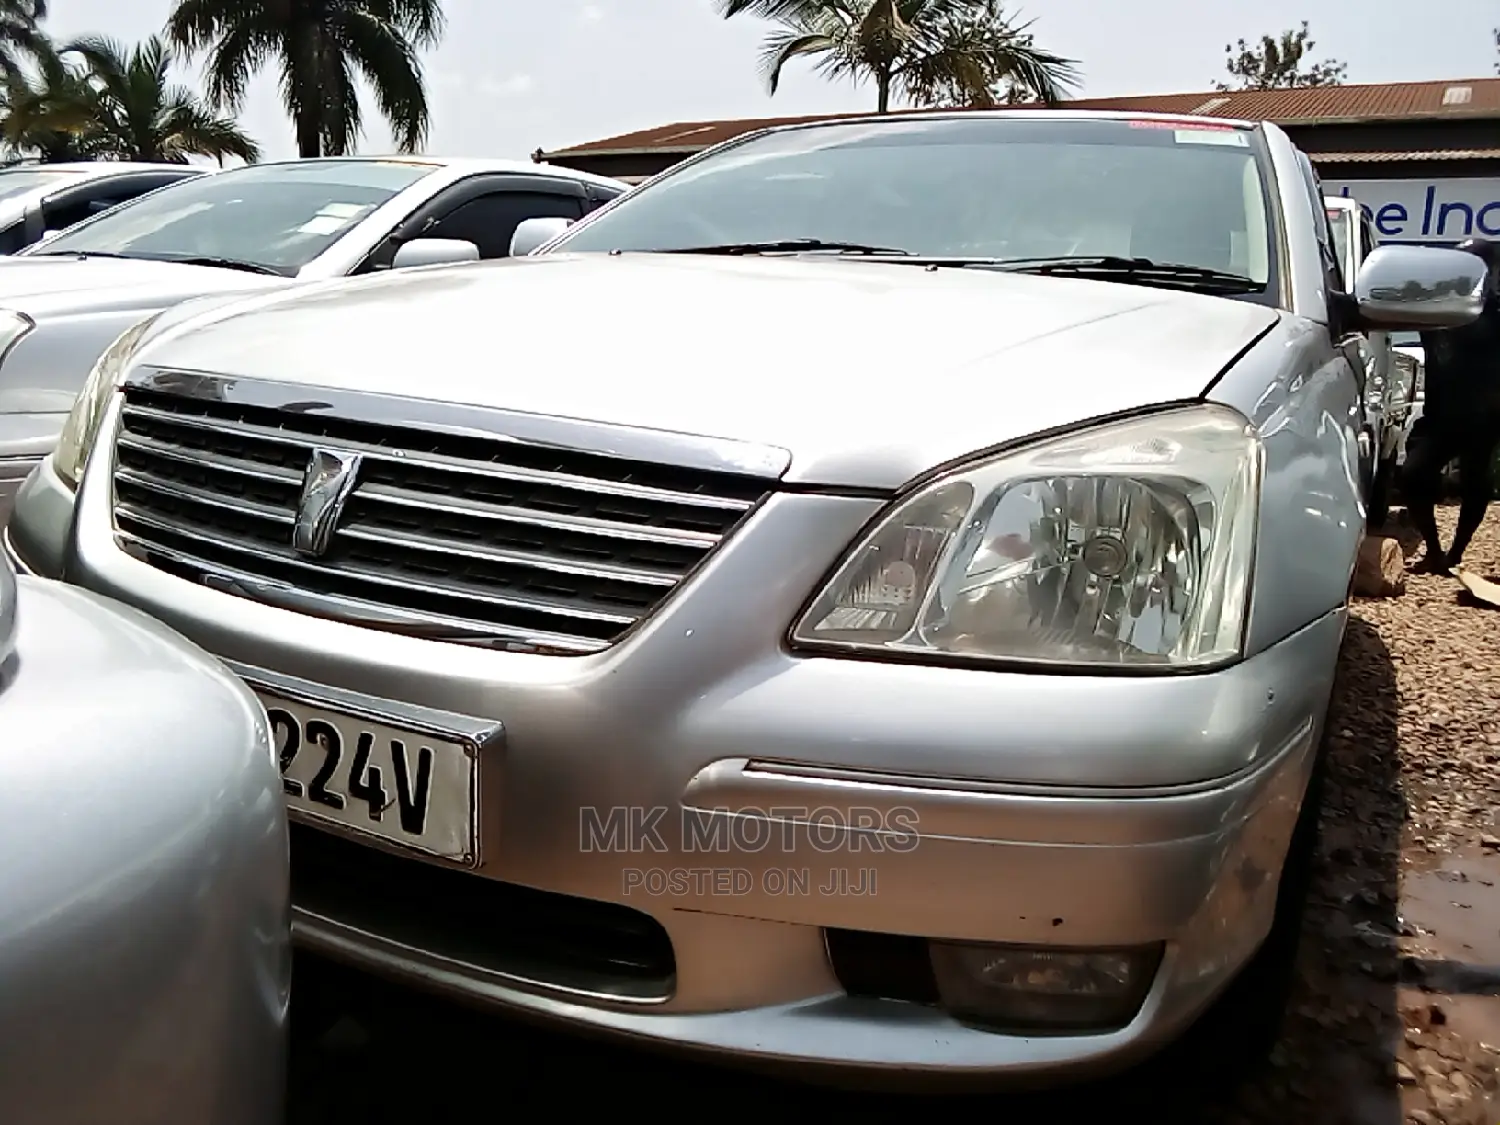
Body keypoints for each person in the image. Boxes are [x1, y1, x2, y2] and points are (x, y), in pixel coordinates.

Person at [1400, 236, 1500, 574]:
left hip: (1484, 416)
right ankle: (1433, 550)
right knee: (1413, 474)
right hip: (1441, 415)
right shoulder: (1438, 305)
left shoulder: (1495, 310)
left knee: (1476, 482)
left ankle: (1456, 553)